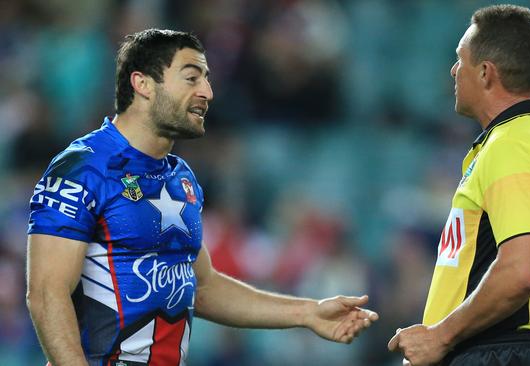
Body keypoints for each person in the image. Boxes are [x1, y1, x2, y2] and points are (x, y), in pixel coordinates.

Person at [25, 29, 378, 366]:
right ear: (142, 83)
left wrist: (308, 312)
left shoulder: (179, 177)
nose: (207, 92)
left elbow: (203, 286)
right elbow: (45, 294)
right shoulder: (82, 168)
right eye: (192, 78)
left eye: (206, 79)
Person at [388, 5, 530, 366]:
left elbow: (522, 270)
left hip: (502, 354)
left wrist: (440, 336)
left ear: (486, 73)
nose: (454, 71)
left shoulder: (512, 146)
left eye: (460, 60)